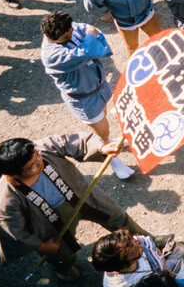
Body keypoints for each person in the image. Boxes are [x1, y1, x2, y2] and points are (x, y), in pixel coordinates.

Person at [0, 135, 158, 282]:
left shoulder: (42, 148)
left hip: (80, 195)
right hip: (49, 224)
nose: (40, 162)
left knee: (117, 217)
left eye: (38, 156)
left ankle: (151, 242)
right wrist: (40, 245)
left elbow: (76, 142)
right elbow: (13, 231)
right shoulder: (5, 197)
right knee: (61, 254)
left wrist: (101, 147)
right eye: (32, 166)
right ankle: (64, 270)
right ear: (15, 175)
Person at [39, 11, 135, 180]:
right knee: (101, 131)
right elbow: (84, 51)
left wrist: (89, 39)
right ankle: (110, 157)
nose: (70, 37)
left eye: (70, 33)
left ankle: (109, 141)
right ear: (49, 37)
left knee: (103, 117)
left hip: (97, 85)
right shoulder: (52, 55)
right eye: (65, 39)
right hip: (83, 98)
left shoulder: (68, 28)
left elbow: (88, 30)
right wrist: (90, 38)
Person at [92, 229, 184, 287]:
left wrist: (165, 272)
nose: (141, 246)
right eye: (136, 253)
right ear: (123, 266)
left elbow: (154, 250)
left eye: (135, 240)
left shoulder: (133, 243)